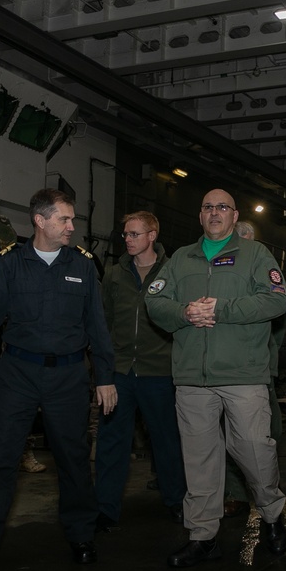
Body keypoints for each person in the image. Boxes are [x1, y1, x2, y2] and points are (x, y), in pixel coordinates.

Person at [0, 188, 117, 571]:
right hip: (17, 375)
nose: (72, 227)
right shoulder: (10, 265)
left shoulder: (83, 266)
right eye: (64, 219)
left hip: (69, 378)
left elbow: (98, 329)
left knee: (73, 461)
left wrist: (104, 377)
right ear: (40, 221)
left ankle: (82, 537)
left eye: (72, 220)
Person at [145, 189, 286, 567]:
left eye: (222, 207)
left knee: (255, 452)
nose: (214, 213)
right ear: (200, 215)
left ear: (234, 214)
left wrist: (221, 309)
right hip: (192, 377)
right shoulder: (180, 258)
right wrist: (184, 312)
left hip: (243, 375)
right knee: (200, 461)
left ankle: (272, 513)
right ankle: (203, 535)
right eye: (207, 207)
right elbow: (155, 301)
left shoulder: (256, 255)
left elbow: (276, 299)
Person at [96, 211, 186, 530]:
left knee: (167, 441)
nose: (128, 240)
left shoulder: (174, 272)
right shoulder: (114, 275)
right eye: (126, 235)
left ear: (152, 236)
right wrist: (103, 372)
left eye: (134, 234)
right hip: (120, 372)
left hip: (159, 372)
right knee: (111, 442)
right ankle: (105, 508)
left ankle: (176, 501)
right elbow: (103, 324)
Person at [222, 221, 286, 518]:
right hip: (232, 368)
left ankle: (268, 495)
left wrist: (266, 355)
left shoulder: (265, 270)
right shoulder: (225, 276)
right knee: (231, 435)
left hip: (261, 367)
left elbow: (279, 321)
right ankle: (235, 494)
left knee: (263, 436)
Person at [0, 211, 47, 474]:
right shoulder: (9, 263)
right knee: (18, 412)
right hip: (17, 354)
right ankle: (21, 452)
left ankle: (26, 451)